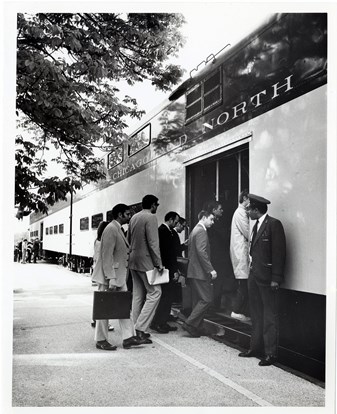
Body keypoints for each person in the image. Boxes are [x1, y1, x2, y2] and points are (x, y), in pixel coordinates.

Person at [238, 194, 286, 366]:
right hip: (255, 277)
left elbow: (279, 254)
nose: (248, 211)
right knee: (256, 314)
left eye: (249, 208)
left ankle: (270, 354)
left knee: (269, 316)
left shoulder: (273, 225)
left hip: (267, 280)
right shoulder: (257, 225)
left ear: (256, 210)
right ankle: (254, 348)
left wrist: (276, 278)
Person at [92, 204, 146, 350]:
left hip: (118, 275)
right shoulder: (111, 229)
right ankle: (101, 340)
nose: (130, 216)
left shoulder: (117, 229)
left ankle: (128, 337)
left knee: (124, 306)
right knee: (104, 309)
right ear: (120, 214)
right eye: (127, 214)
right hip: (110, 277)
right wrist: (111, 278)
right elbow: (106, 255)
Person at [128, 194, 164, 343]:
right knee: (155, 292)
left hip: (133, 261)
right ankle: (141, 329)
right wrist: (158, 263)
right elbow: (153, 243)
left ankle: (133, 329)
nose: (157, 207)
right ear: (152, 205)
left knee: (137, 295)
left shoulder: (134, 217)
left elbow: (128, 239)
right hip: (146, 262)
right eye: (157, 204)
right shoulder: (151, 217)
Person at [182, 211, 217, 337]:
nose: (213, 222)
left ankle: (198, 327)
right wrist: (210, 269)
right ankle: (190, 323)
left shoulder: (194, 230)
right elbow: (202, 252)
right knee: (207, 299)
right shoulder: (201, 231)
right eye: (211, 219)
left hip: (193, 271)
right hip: (200, 272)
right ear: (204, 217)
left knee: (197, 300)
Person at [151, 211, 180, 333]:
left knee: (167, 297)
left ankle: (161, 322)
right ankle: (159, 323)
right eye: (176, 221)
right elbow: (168, 254)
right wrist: (174, 271)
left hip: (168, 269)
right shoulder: (163, 231)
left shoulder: (168, 231)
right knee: (166, 297)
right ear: (171, 220)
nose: (177, 223)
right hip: (166, 269)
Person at [203, 200, 230, 310]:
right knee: (218, 280)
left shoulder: (213, 221)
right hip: (218, 256)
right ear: (214, 210)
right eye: (220, 209)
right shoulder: (214, 223)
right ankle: (214, 305)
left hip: (216, 255)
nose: (222, 211)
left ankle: (214, 304)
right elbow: (224, 237)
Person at [230, 189, 251, 321]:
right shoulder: (241, 213)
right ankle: (236, 310)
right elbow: (248, 232)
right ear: (244, 198)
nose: (250, 202)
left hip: (240, 252)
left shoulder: (241, 212)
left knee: (244, 283)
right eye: (249, 199)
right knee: (243, 283)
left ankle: (239, 311)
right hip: (241, 253)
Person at [91, 221, 113, 330]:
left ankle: (95, 319)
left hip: (98, 271)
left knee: (100, 297)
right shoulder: (103, 242)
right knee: (103, 299)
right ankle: (102, 322)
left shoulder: (97, 241)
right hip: (103, 273)